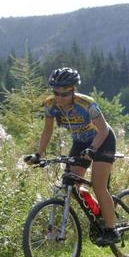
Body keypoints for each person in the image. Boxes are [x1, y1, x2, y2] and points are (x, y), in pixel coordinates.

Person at [24, 67, 120, 246]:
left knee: (99, 186)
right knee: (70, 184)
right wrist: (38, 154)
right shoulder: (50, 105)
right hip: (80, 143)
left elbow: (104, 129)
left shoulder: (86, 104)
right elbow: (47, 130)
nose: (59, 98)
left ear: (73, 90)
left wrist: (93, 149)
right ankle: (98, 213)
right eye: (56, 92)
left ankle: (111, 230)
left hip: (103, 140)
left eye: (64, 94)